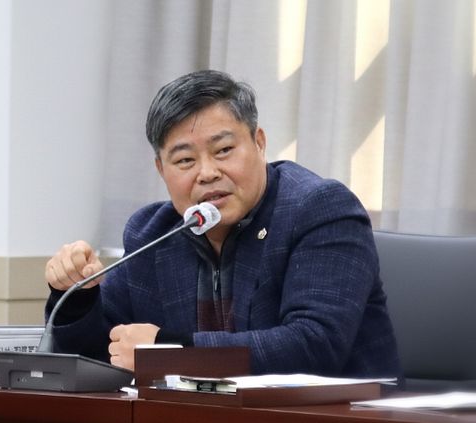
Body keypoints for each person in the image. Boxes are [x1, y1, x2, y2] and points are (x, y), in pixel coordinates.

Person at [44, 69, 400, 377]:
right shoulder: (154, 232)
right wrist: (76, 295)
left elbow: (314, 346)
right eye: (185, 160)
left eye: (224, 150)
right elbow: (100, 356)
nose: (208, 173)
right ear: (161, 170)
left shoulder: (318, 209)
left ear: (259, 143)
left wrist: (171, 351)